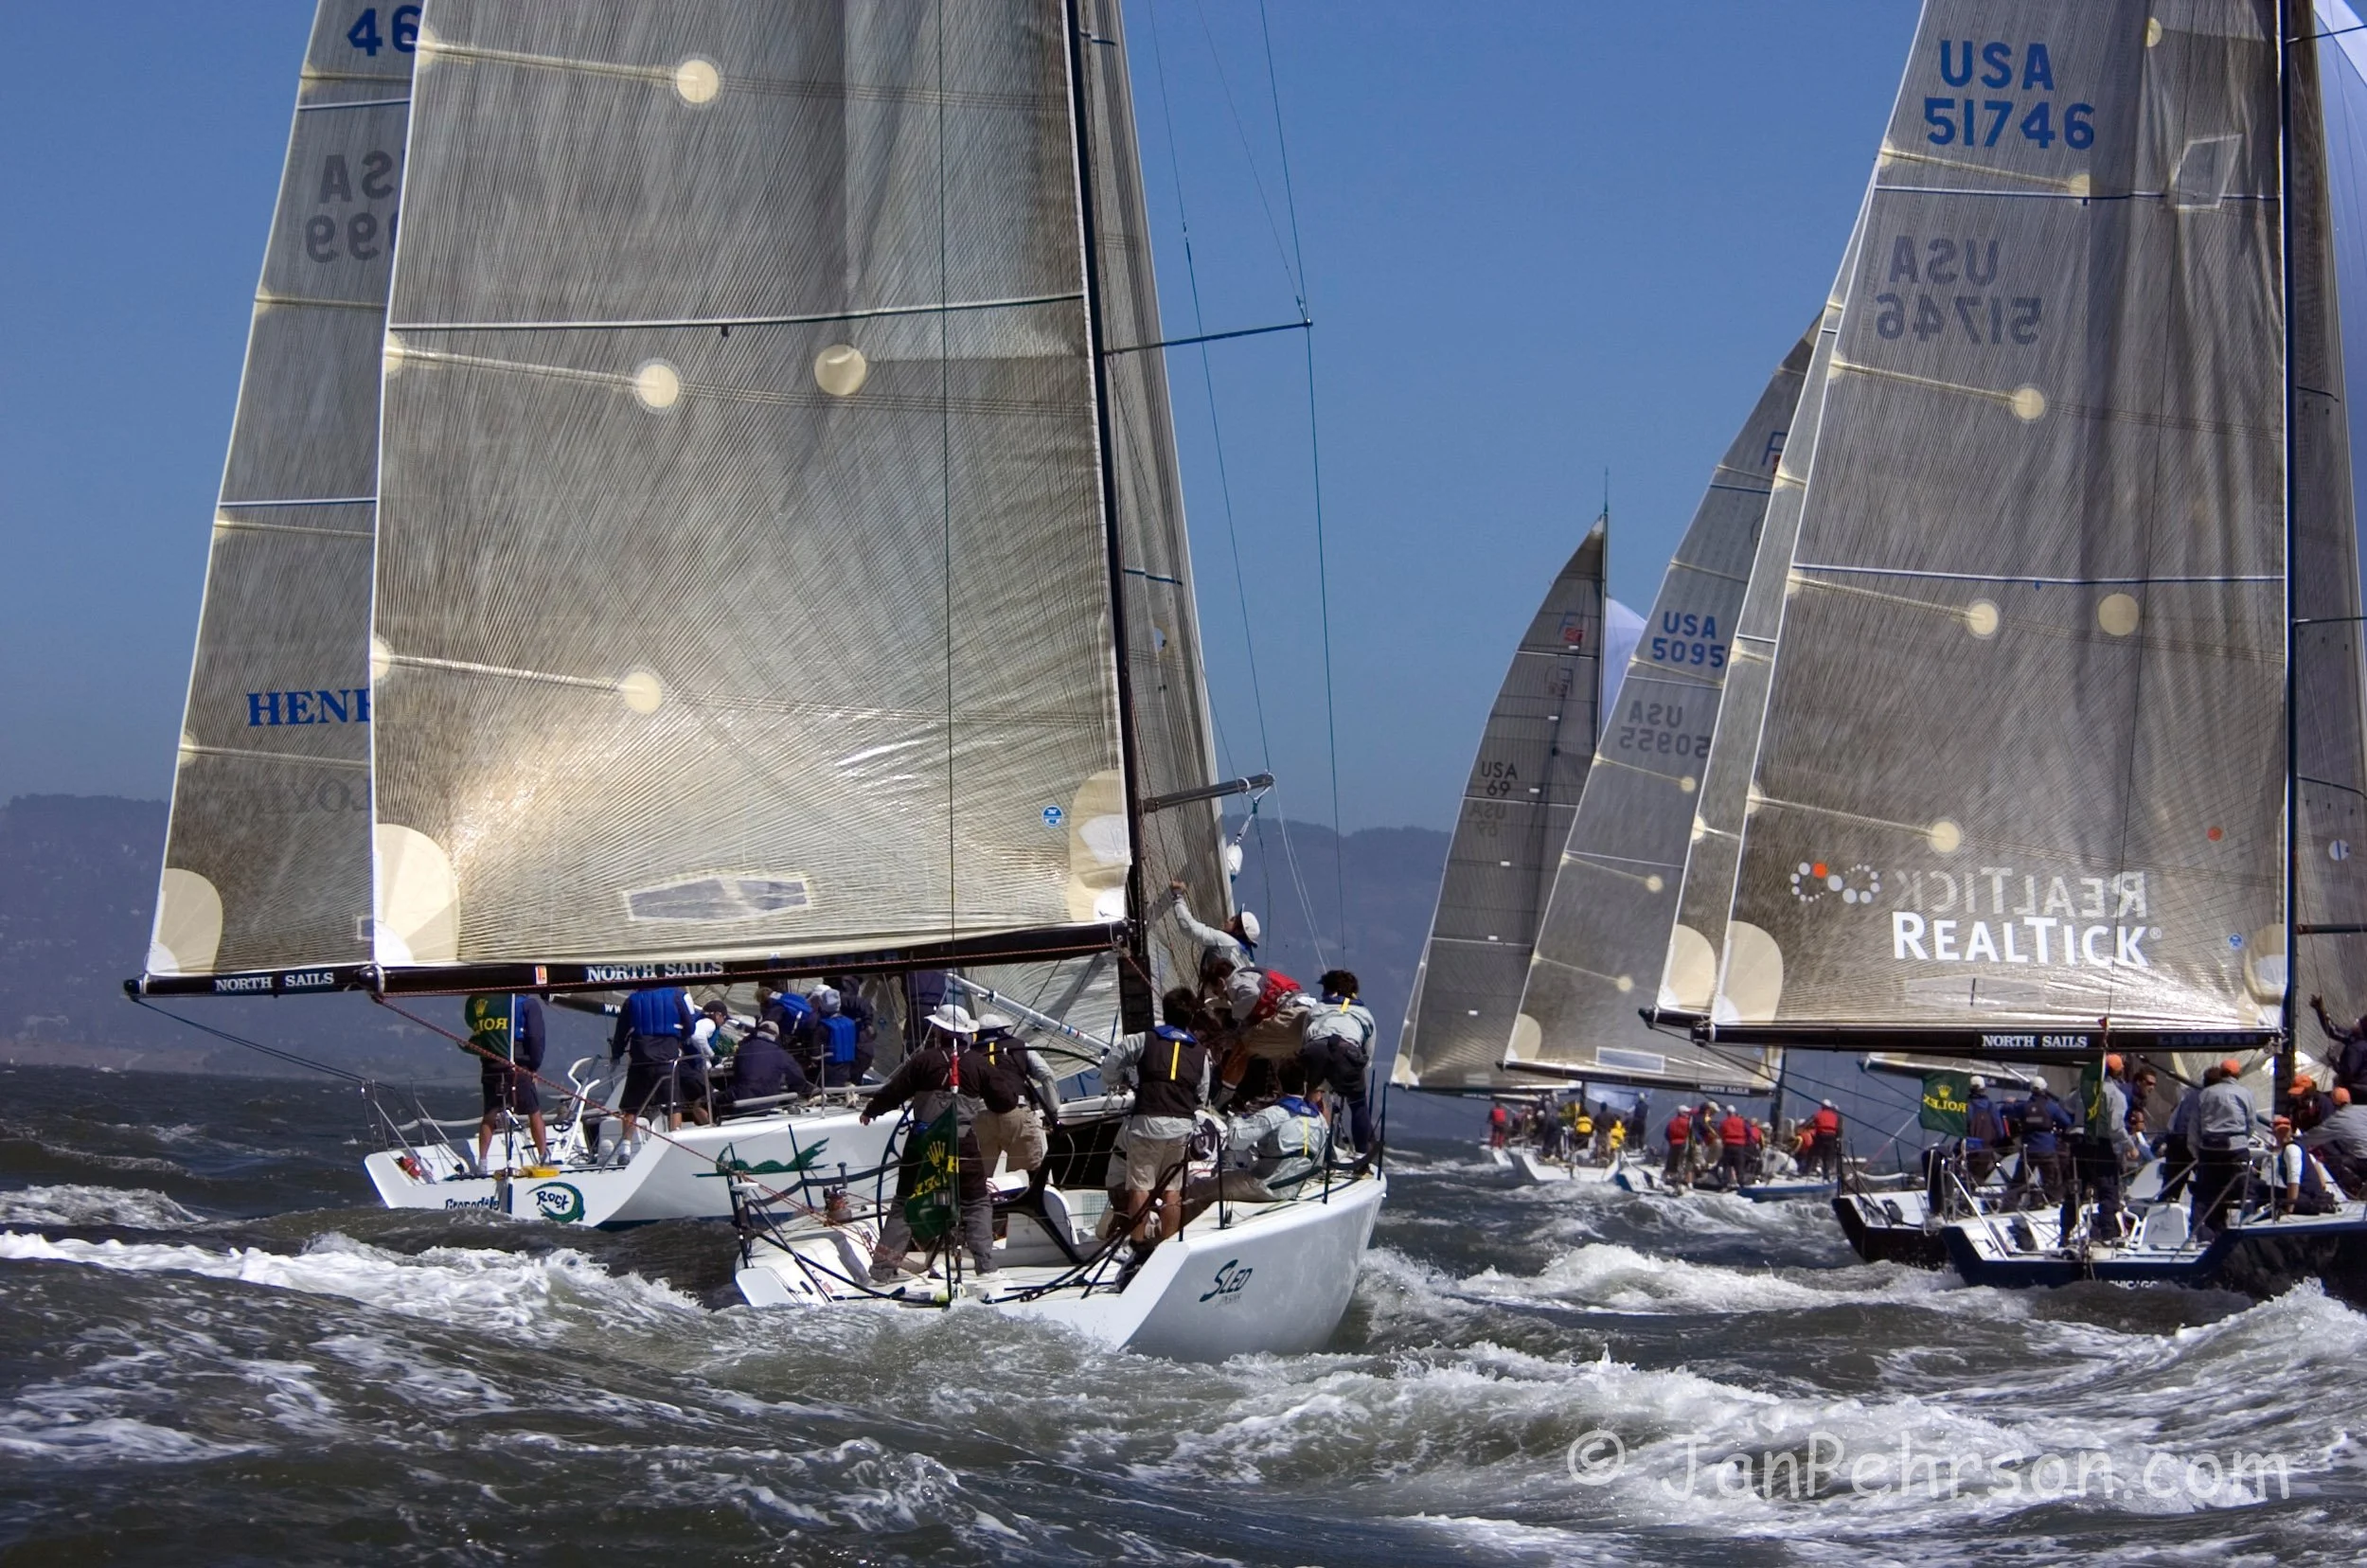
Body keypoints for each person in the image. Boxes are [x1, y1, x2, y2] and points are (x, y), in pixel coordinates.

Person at [863, 1005, 994, 1280]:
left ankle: (882, 1270)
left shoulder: (923, 1061)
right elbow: (1004, 1100)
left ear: (938, 1032)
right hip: (963, 1147)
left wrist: (872, 1111)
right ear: (965, 1035)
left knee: (906, 1203)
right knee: (976, 1203)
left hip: (922, 1145)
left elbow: (894, 1091)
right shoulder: (978, 1063)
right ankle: (985, 1264)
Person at [1100, 988, 1211, 1247]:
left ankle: (1138, 1246)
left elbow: (1111, 1064)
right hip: (1181, 1126)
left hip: (1147, 1123)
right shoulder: (1199, 1052)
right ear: (1191, 1016)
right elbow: (1202, 1093)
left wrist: (1120, 1081)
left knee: (1141, 1187)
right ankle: (1168, 1244)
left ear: (1165, 1012)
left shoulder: (1143, 1039)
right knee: (1173, 1190)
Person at [961, 1014, 1059, 1181]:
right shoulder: (1019, 1046)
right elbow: (1047, 1075)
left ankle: (983, 1205)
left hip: (980, 1115)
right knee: (1034, 1171)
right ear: (1002, 1030)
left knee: (979, 1178)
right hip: (1015, 1111)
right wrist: (1052, 1112)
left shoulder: (969, 1054)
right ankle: (1036, 1203)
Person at [465, 990, 548, 1170]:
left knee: (489, 1115)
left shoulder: (485, 1002)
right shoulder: (526, 1004)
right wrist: (534, 1065)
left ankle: (483, 1162)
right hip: (517, 1065)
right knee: (534, 1111)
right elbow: (535, 1037)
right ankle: (543, 1157)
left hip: (490, 1066)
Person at [1298, 971, 1377, 1153]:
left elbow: (1304, 1042)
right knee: (1357, 1104)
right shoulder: (1365, 1014)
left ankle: (1305, 1150)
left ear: (1331, 992)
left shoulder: (1316, 1009)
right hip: (1348, 1052)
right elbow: (1367, 1057)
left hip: (1315, 1049)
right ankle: (1362, 1156)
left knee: (1307, 1096)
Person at [1223, 1059, 1331, 1191]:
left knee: (1202, 1187)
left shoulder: (1273, 1115)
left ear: (1279, 1085)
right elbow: (1322, 1154)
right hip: (1302, 1185)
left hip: (1270, 1187)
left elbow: (1235, 1141)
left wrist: (1236, 1117)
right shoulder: (1319, 1119)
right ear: (1304, 1086)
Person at [610, 984, 696, 1146]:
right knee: (673, 1104)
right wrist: (681, 1039)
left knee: (631, 1107)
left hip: (640, 1058)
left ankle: (625, 1149)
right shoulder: (677, 996)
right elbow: (690, 1026)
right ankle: (675, 1143)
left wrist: (616, 1054)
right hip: (667, 1057)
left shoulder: (632, 1000)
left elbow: (621, 1032)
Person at [2063, 1054, 2136, 1245]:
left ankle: (2065, 1233)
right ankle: (2107, 1234)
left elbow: (2067, 1105)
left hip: (2078, 1143)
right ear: (2117, 1071)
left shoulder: (2084, 1088)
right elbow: (2115, 1127)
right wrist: (2130, 1145)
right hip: (2100, 1144)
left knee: (2075, 1190)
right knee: (2108, 1190)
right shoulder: (2116, 1095)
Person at [2191, 1059, 2259, 1238]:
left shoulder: (2205, 1094)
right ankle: (2248, 1227)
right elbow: (2251, 1124)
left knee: (2205, 1192)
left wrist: (2196, 1151)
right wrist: (2243, 1139)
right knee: (2245, 1187)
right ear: (2238, 1075)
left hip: (2209, 1148)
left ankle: (2197, 1234)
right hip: (2236, 1148)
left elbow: (2195, 1127)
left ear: (2221, 1073)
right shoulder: (2245, 1093)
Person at [2005, 1083, 2073, 1206]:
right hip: (2047, 1149)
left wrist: (2014, 1103)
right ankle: (2051, 1202)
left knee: (2019, 1180)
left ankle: (2010, 1205)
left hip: (2028, 1150)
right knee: (2052, 1181)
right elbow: (2066, 1122)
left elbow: (2005, 1110)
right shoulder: (2051, 1107)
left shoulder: (2023, 1107)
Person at [722, 1019, 809, 1111]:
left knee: (715, 1098)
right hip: (767, 1103)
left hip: (738, 1099)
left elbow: (736, 1071)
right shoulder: (781, 1054)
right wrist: (791, 1096)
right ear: (776, 1036)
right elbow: (799, 1078)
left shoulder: (743, 1049)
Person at [2273, 1115, 2342, 1216]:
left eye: (2285, 1131)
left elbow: (2293, 1180)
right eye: (2280, 1132)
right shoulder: (2299, 1146)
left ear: (2291, 1131)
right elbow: (2317, 1169)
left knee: (2263, 1191)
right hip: (2313, 1197)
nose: (2283, 1135)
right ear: (2274, 1133)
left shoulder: (2291, 1149)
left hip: (2305, 1199)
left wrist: (2289, 1209)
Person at [2305, 1085, 2367, 1195]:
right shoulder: (2364, 1109)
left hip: (2363, 1160)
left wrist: (2292, 1140)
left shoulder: (2336, 1120)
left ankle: (2356, 1191)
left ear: (2334, 1102)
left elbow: (2312, 1137)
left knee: (2336, 1162)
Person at [2308, 994, 2367, 1096]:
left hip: (2356, 1092)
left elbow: (2347, 1073)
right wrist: (2321, 1010)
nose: (2356, 1020)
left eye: (2359, 1022)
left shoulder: (2357, 1048)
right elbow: (2333, 1031)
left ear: (2362, 1029)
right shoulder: (2354, 1038)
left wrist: (2334, 1061)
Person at [831, 974, 881, 1082]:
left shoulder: (841, 999)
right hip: (857, 1053)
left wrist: (868, 1024)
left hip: (856, 1053)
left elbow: (862, 1004)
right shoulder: (844, 1002)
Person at [812, 986, 863, 1087]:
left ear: (823, 1005)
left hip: (829, 1072)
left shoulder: (823, 1027)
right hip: (848, 1069)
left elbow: (815, 1055)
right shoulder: (851, 1023)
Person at [1962, 1076, 2005, 1185]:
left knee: (1966, 1177)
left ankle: (1964, 1196)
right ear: (1984, 1089)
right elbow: (2000, 1132)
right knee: (1978, 1178)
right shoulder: (1991, 1106)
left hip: (1968, 1148)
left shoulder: (1965, 1105)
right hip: (1985, 1147)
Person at [1806, 1100, 1843, 1182]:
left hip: (1821, 1136)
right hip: (1831, 1137)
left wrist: (1804, 1127)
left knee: (1812, 1153)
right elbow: (1839, 1128)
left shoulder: (1818, 1114)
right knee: (1827, 1157)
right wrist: (1838, 1138)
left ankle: (1806, 1171)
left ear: (1822, 1107)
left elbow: (1808, 1123)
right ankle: (1826, 1175)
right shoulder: (1835, 1116)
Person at [1717, 1106, 1752, 1189]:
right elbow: (1749, 1132)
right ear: (1735, 1113)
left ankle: (1725, 1184)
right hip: (1739, 1146)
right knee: (1739, 1165)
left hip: (1728, 1145)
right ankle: (1741, 1184)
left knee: (1727, 1166)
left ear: (1727, 1113)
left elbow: (1720, 1132)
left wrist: (1724, 1139)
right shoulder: (1742, 1122)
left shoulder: (1724, 1122)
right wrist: (1746, 1140)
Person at [1664, 1105, 1694, 1185]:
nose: (1688, 1114)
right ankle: (1686, 1182)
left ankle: (1669, 1180)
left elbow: (1666, 1134)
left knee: (1671, 1164)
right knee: (1683, 1164)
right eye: (1686, 1112)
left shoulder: (1671, 1122)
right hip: (1684, 1145)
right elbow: (1691, 1134)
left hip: (1673, 1145)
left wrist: (1671, 1141)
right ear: (1682, 1113)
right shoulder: (1688, 1123)